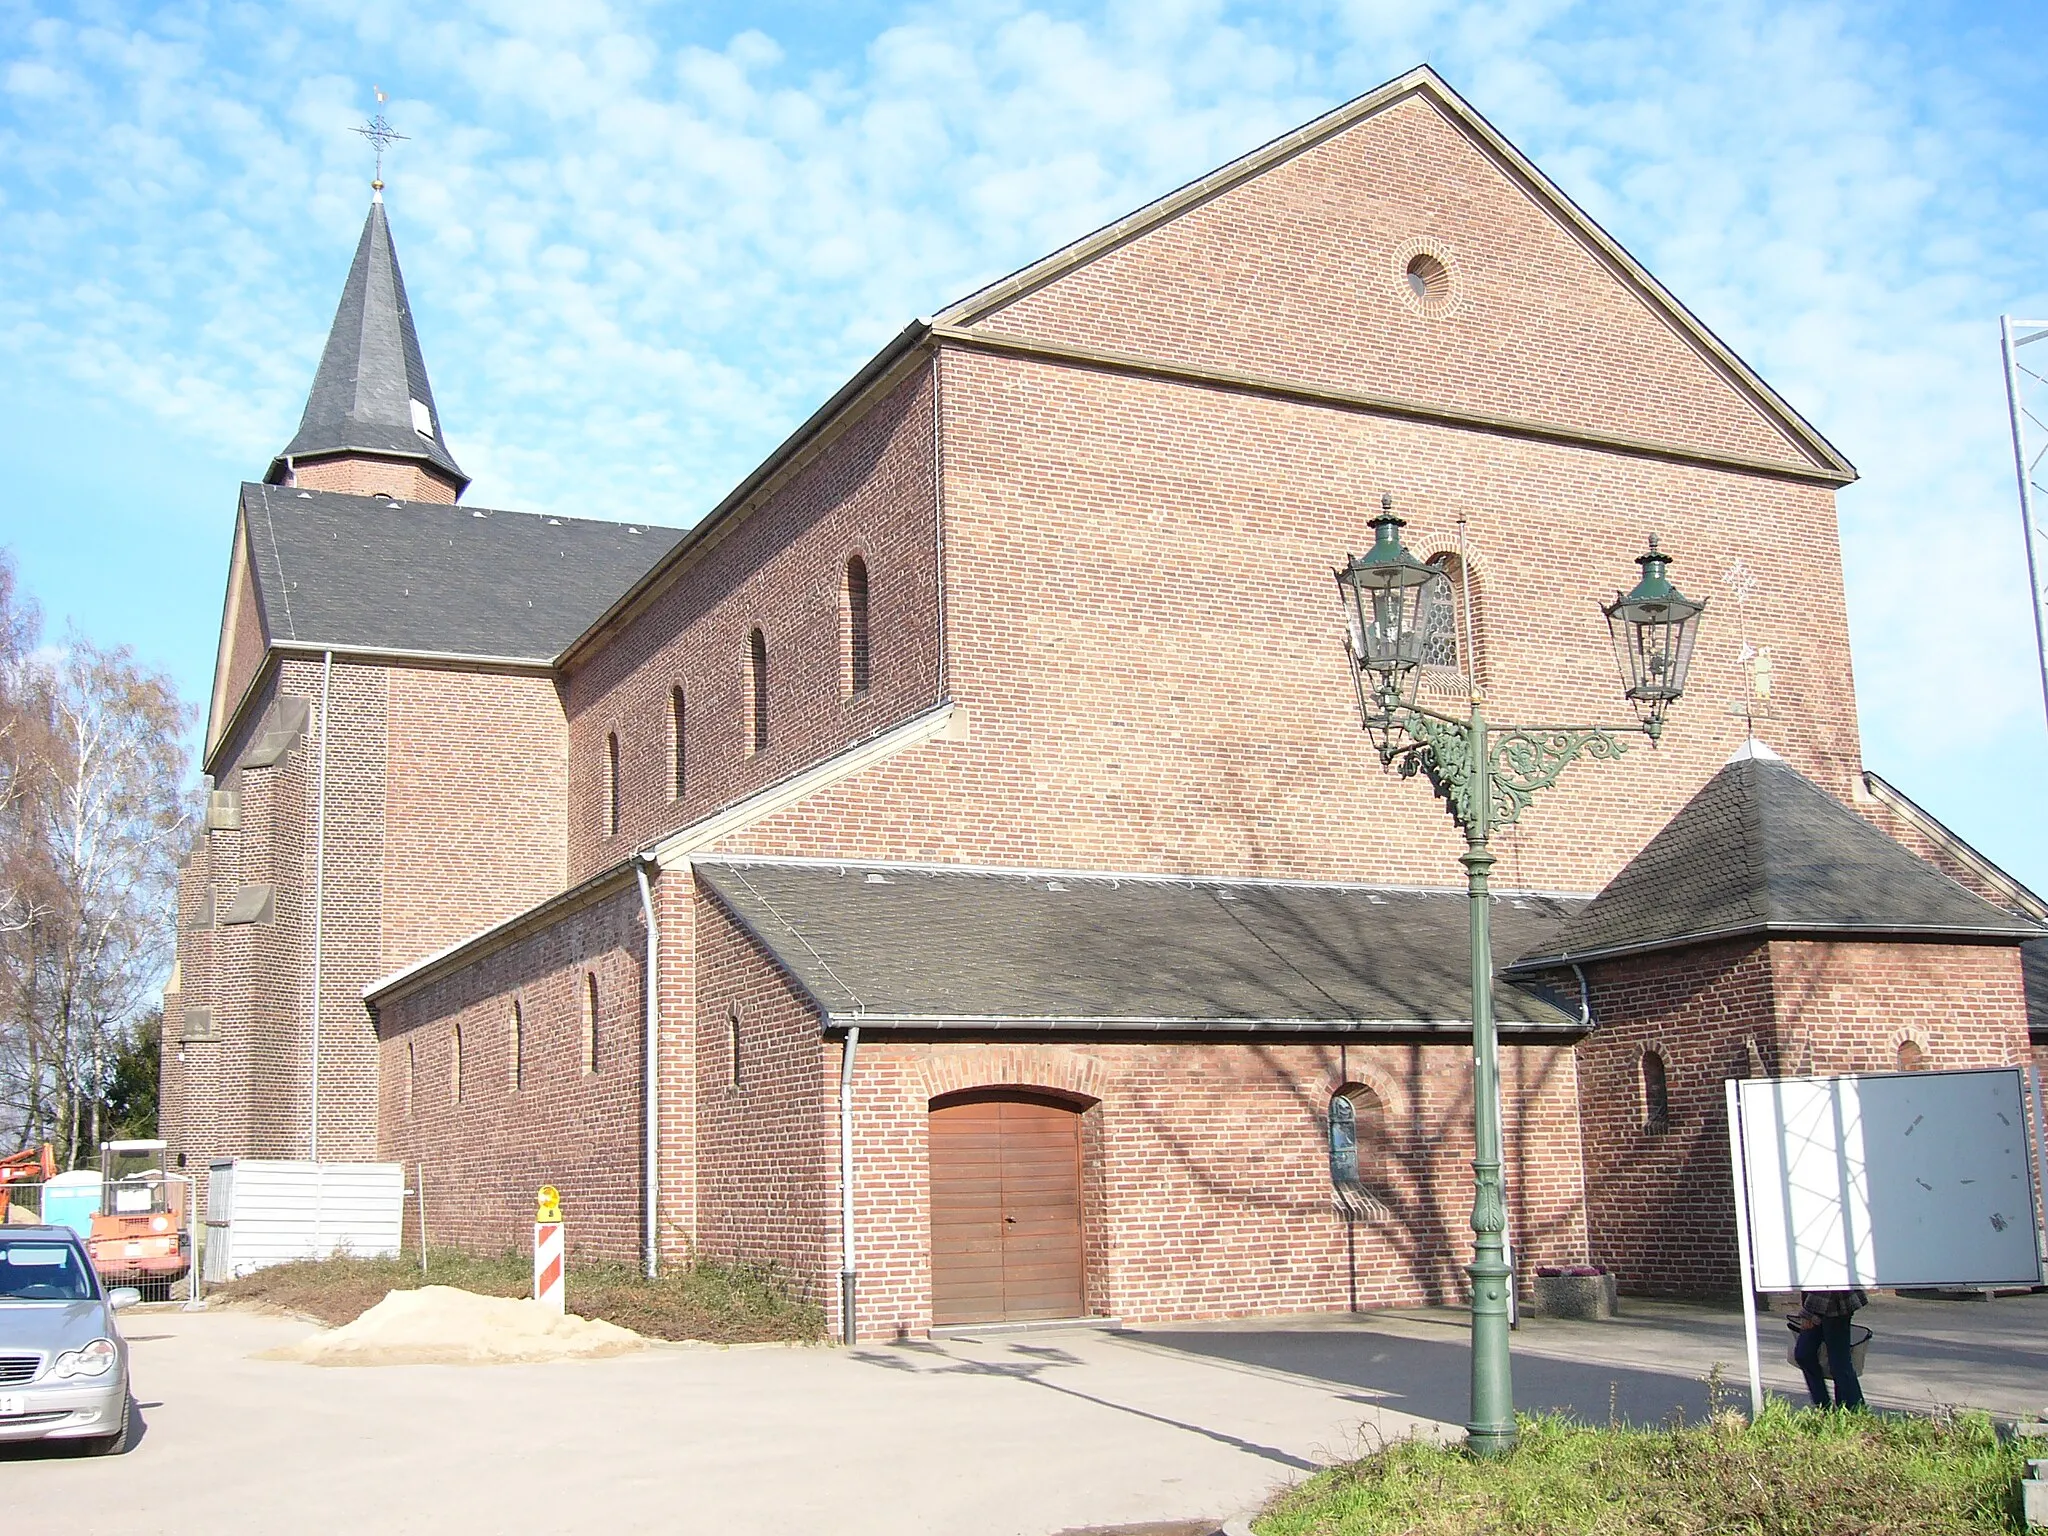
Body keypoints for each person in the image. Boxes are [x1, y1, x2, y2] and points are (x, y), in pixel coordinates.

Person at [1791, 1286, 1868, 1410]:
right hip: (1817, 1301)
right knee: (1804, 1354)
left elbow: (1827, 1281)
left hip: (1836, 1302)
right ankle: (1824, 1407)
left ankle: (1854, 1409)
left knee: (1839, 1362)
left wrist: (1809, 1313)